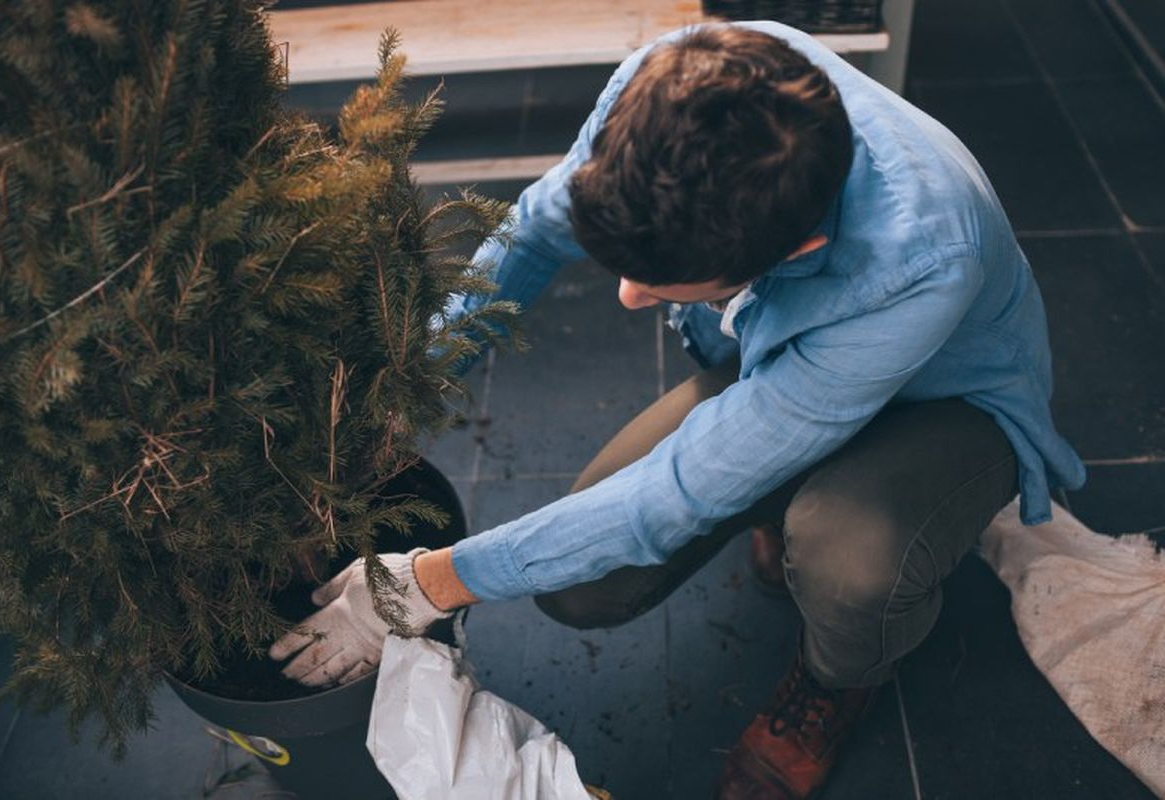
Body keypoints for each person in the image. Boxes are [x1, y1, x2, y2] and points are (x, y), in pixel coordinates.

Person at [269, 21, 1085, 799]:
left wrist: (427, 583)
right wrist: (397, 400)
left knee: (849, 561)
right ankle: (778, 494)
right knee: (584, 589)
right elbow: (530, 235)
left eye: (659, 286)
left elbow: (673, 495)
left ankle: (839, 677)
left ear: (787, 258)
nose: (629, 297)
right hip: (788, 374)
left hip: (947, 403)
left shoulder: (922, 259)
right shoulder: (675, 92)